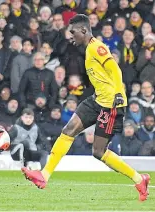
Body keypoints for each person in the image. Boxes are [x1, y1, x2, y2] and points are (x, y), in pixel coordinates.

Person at [22, 14, 150, 202]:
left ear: (83, 30)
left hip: (111, 105)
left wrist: (117, 92)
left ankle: (139, 179)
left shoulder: (97, 47)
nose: (71, 35)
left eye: (73, 32)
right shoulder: (89, 48)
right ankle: (44, 175)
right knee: (68, 130)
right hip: (97, 99)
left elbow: (115, 69)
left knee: (98, 152)